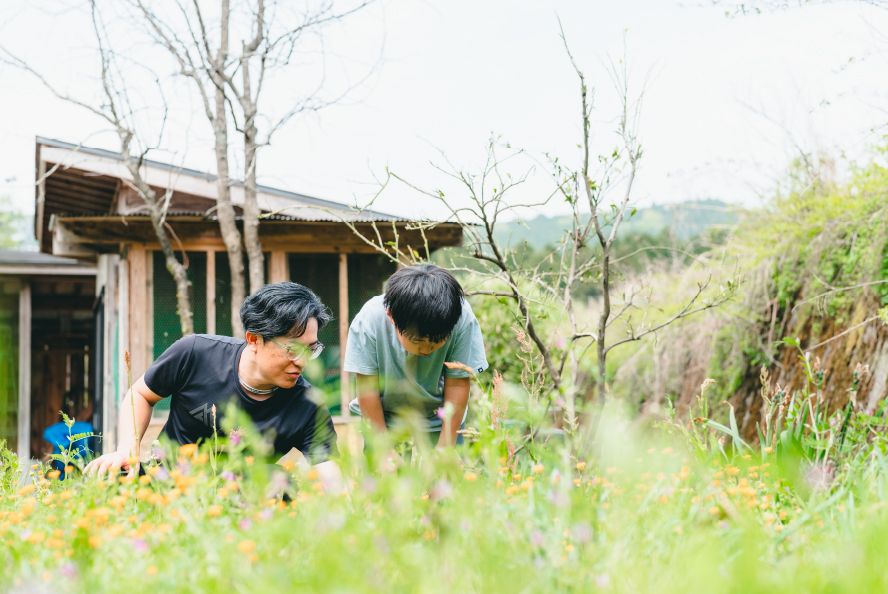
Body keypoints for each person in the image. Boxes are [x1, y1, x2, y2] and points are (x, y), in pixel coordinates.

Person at [85, 282, 339, 481]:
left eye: (311, 349)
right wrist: (127, 450)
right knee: (111, 474)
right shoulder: (195, 352)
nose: (303, 361)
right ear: (253, 339)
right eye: (293, 349)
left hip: (241, 495)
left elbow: (328, 468)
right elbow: (140, 394)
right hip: (168, 479)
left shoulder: (308, 404)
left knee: (280, 482)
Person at [344, 264, 488, 447]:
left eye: (438, 341)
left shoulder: (460, 317)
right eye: (418, 341)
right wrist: (384, 450)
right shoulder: (369, 320)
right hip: (384, 421)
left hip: (442, 421)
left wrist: (445, 447)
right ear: (391, 317)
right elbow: (367, 389)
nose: (427, 350)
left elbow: (458, 383)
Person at [43, 398, 96, 477]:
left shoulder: (50, 434)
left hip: (87, 439)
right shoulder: (50, 433)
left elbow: (64, 444)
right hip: (88, 440)